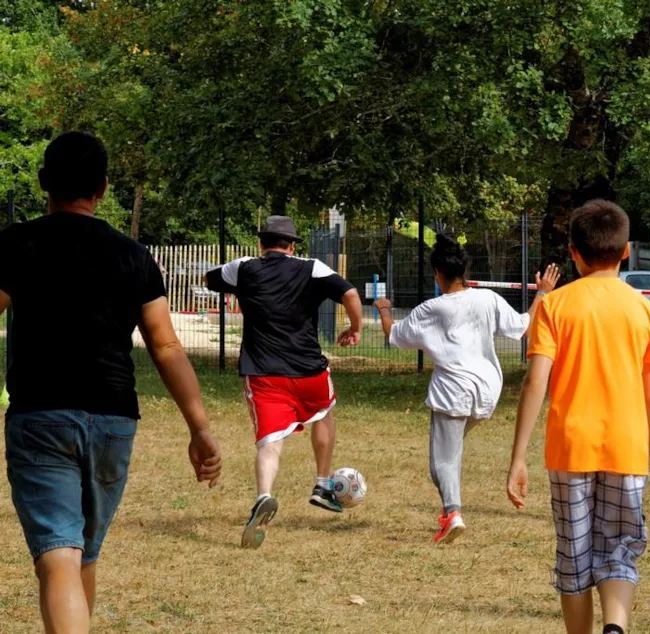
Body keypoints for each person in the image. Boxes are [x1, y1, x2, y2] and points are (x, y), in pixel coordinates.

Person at [0, 131, 222, 634]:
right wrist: (200, 426)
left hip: (41, 417)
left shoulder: (15, 243)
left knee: (58, 554)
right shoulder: (133, 256)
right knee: (84, 555)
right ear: (102, 188)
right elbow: (166, 346)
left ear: (42, 184)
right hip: (114, 422)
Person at [506, 200, 650, 634]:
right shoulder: (643, 309)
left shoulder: (556, 306)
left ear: (573, 251)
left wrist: (518, 458)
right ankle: (616, 625)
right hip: (627, 447)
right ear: (625, 250)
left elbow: (536, 383)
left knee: (574, 555)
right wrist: (649, 440)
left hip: (570, 448)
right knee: (618, 549)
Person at [373, 233, 560, 544]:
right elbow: (523, 326)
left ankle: (452, 513)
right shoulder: (487, 298)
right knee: (452, 450)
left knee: (440, 462)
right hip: (487, 392)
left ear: (437, 273)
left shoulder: (432, 309)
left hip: (453, 392)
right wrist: (543, 293)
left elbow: (394, 336)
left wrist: (383, 309)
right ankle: (452, 510)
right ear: (464, 270)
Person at [205, 215, 363, 549]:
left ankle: (264, 496)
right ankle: (322, 484)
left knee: (269, 443)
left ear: (262, 243)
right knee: (324, 414)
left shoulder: (244, 267)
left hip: (264, 374)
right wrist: (356, 327)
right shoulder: (312, 267)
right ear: (292, 245)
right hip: (309, 371)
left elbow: (211, 279)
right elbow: (349, 292)